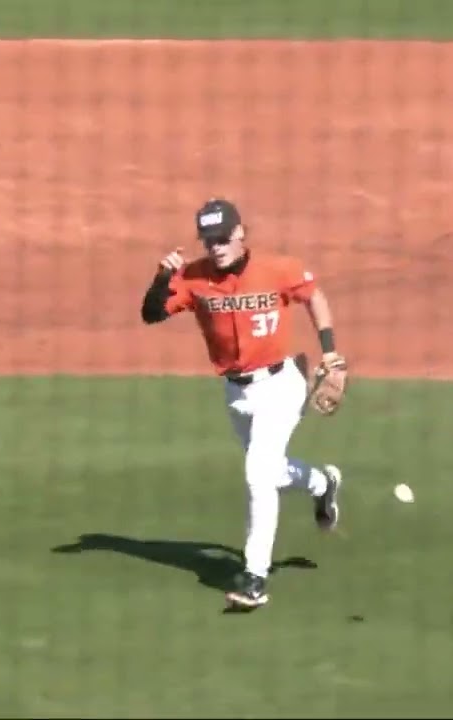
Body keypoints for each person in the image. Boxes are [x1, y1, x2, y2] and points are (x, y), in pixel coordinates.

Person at [140, 198, 346, 610]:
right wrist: (162, 278)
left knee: (256, 473)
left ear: (240, 233)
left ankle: (255, 576)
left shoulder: (277, 268)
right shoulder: (193, 277)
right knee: (269, 472)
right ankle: (323, 483)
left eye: (221, 237)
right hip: (236, 393)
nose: (215, 246)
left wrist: (330, 354)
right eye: (208, 239)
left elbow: (314, 296)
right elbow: (151, 314)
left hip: (281, 384)